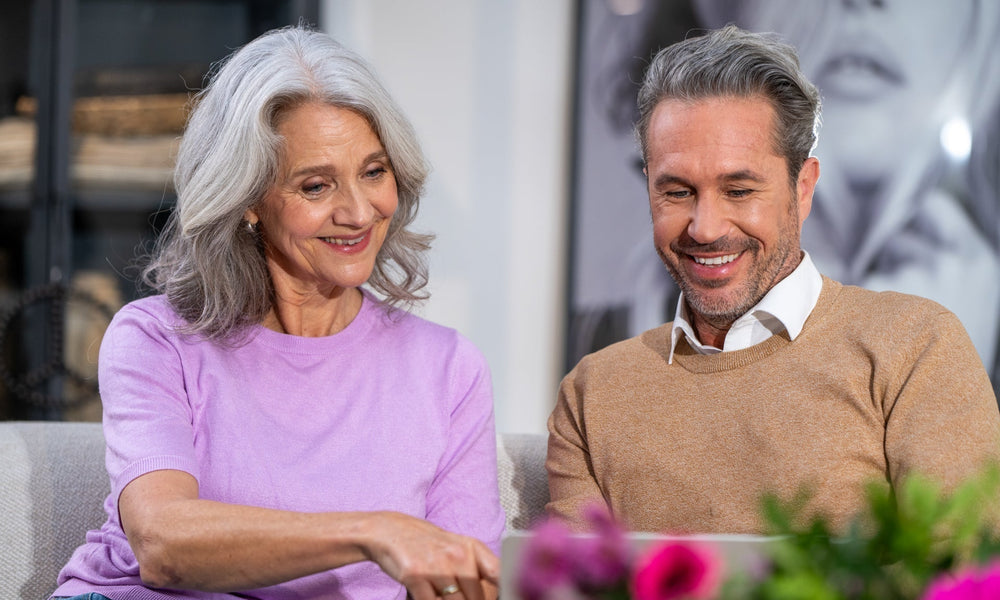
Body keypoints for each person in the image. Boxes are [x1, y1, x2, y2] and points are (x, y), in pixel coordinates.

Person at [50, 26, 504, 600]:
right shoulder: (157, 338)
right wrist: (371, 532)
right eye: (316, 186)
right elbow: (163, 546)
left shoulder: (449, 370)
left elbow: (464, 579)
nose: (360, 212)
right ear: (247, 203)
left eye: (374, 171)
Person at [546, 25, 1000, 534]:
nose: (706, 228)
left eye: (739, 190)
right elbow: (571, 583)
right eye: (676, 192)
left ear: (802, 189)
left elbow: (960, 571)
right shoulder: (593, 393)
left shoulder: (916, 346)